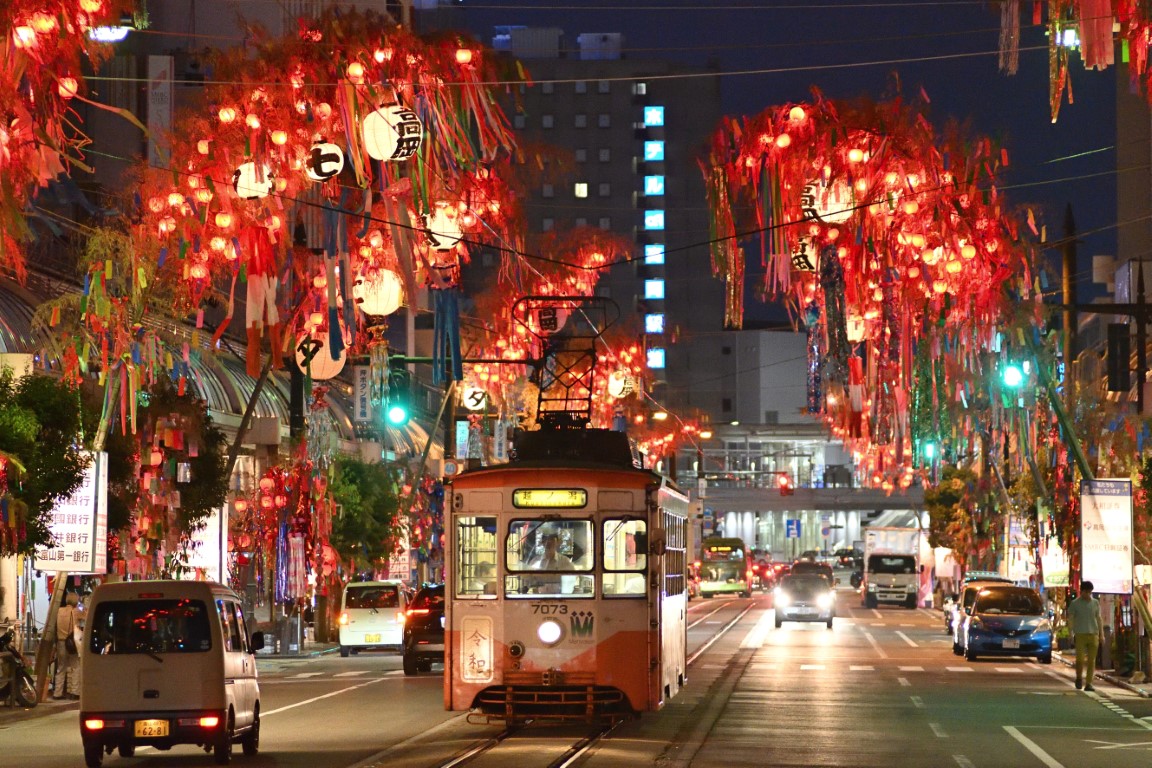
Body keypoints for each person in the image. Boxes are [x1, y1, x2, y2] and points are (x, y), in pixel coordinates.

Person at [1068, 580, 1104, 691]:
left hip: (1093, 634)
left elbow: (1099, 618)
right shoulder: (1075, 603)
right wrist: (1070, 633)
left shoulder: (1095, 603)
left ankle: (1089, 683)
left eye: (1090, 592)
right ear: (1081, 591)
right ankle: (1079, 677)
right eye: (1087, 592)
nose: (1089, 594)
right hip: (1080, 634)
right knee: (1079, 659)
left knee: (1091, 661)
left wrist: (1101, 634)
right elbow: (1071, 619)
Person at [54, 592, 81, 700]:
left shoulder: (59, 611)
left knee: (61, 667)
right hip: (71, 643)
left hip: (61, 642)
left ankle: (57, 693)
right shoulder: (76, 611)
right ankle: (75, 692)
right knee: (75, 666)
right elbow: (87, 614)